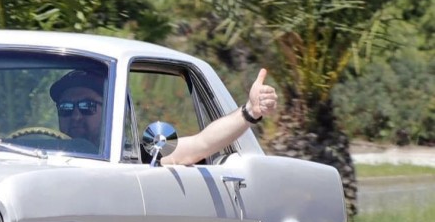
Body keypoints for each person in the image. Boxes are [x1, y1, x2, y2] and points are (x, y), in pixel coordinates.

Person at [49, 67, 278, 166]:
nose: (76, 115)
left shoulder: (139, 155)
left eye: (87, 106)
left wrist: (249, 111)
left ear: (109, 110)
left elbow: (201, 144)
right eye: (66, 107)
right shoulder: (46, 153)